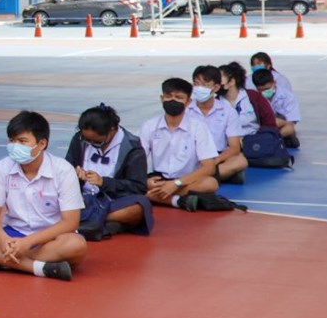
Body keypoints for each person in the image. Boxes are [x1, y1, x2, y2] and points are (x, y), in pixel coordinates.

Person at [0, 111, 86, 280]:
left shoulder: (63, 170)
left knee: (76, 245)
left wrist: (28, 243)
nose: (14, 146)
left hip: (49, 238)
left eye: (22, 141)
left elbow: (70, 221)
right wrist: (3, 239)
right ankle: (40, 268)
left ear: (41, 144)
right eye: (12, 141)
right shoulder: (2, 168)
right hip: (12, 234)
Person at [139, 78, 231, 212]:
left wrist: (176, 184)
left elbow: (209, 168)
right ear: (161, 98)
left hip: (188, 180)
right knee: (134, 184)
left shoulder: (198, 127)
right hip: (159, 180)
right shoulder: (149, 126)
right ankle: (177, 201)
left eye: (179, 97)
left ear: (188, 102)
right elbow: (138, 160)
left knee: (210, 184)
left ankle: (157, 197)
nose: (173, 101)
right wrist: (146, 181)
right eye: (168, 96)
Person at [64, 104, 152, 237]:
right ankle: (100, 224)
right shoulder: (79, 139)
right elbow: (65, 169)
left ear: (112, 130)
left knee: (139, 207)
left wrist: (104, 182)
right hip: (82, 199)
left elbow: (138, 187)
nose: (90, 143)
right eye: (87, 140)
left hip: (113, 201)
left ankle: (84, 222)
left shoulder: (132, 147)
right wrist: (75, 176)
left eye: (97, 142)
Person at [187, 64, 247, 182]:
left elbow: (234, 147)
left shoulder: (228, 111)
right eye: (196, 84)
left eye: (204, 85)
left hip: (217, 156)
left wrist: (215, 161)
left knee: (240, 161)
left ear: (216, 87)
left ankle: (197, 178)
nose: (199, 88)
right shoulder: (185, 109)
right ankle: (218, 177)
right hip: (191, 156)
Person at [251, 66, 300, 145]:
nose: (264, 92)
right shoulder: (252, 97)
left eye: (267, 88)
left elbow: (291, 122)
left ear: (274, 82)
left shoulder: (288, 96)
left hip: (281, 127)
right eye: (261, 90)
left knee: (289, 128)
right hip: (260, 127)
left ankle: (272, 140)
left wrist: (277, 122)